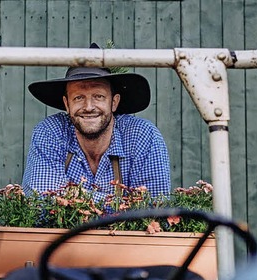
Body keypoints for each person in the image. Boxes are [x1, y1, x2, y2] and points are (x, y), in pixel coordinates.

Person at [22, 45, 171, 201]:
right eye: (78, 97)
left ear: (114, 102)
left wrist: (71, 197)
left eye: (98, 96)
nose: (88, 107)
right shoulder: (50, 131)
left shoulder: (142, 135)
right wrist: (121, 206)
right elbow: (40, 202)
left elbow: (154, 208)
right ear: (67, 104)